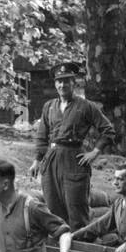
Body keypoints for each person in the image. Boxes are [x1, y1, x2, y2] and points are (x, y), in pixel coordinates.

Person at [29, 62, 114, 230]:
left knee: (77, 210)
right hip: (51, 160)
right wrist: (37, 160)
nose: (62, 85)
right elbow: (41, 136)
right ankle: (61, 250)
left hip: (74, 160)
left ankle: (81, 250)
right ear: (55, 84)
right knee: (53, 209)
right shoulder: (49, 106)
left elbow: (108, 131)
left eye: (66, 81)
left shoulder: (86, 106)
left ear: (74, 83)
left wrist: (94, 152)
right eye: (59, 81)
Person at [72, 162, 126, 252]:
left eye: (120, 179)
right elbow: (101, 225)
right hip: (123, 251)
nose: (115, 183)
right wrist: (73, 235)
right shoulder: (118, 203)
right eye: (115, 178)